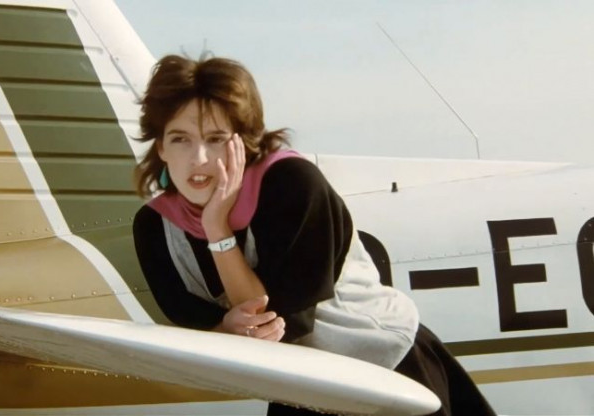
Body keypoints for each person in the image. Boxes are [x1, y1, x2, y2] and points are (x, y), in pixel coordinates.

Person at [132, 54, 495, 416]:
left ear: (242, 142)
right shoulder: (154, 228)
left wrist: (217, 229)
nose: (198, 158)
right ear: (160, 146)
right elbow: (200, 334)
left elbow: (275, 323)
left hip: (387, 367)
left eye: (215, 138)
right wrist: (227, 328)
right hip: (303, 385)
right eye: (180, 139)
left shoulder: (293, 185)